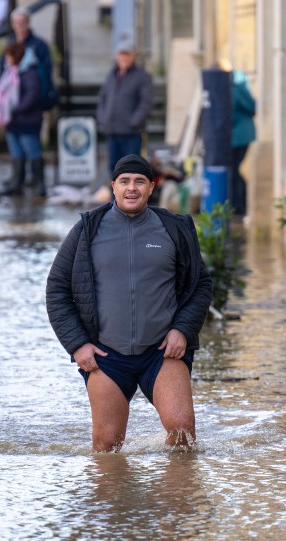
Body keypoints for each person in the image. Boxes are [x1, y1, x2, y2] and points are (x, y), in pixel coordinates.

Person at [45, 154, 213, 453]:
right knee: (107, 445)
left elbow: (200, 284)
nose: (131, 188)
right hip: (106, 356)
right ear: (113, 187)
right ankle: (114, 501)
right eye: (124, 182)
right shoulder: (87, 230)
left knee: (182, 430)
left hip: (161, 352)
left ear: (152, 186)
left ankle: (174, 499)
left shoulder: (175, 228)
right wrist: (77, 344)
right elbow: (57, 290)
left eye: (139, 182)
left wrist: (182, 331)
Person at [0, 42, 45, 197]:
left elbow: (32, 94)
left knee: (33, 152)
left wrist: (17, 109)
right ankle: (17, 182)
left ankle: (40, 184)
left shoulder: (29, 71)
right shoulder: (10, 71)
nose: (6, 59)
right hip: (13, 121)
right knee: (17, 153)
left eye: (8, 56)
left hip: (27, 121)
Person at [96, 42, 153, 176]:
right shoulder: (112, 75)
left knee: (131, 170)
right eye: (122, 54)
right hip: (112, 131)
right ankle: (115, 196)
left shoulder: (142, 76)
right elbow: (103, 99)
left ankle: (131, 197)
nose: (124, 57)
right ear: (117, 56)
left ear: (134, 56)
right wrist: (103, 118)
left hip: (131, 133)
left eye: (127, 54)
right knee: (114, 170)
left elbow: (146, 103)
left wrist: (134, 121)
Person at [230, 67, 256, 216]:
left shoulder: (236, 89)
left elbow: (252, 107)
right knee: (234, 171)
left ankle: (239, 206)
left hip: (240, 137)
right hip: (237, 136)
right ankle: (238, 205)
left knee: (234, 171)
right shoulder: (234, 88)